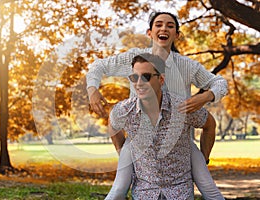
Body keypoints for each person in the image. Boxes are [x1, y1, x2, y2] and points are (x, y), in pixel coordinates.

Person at [86, 11, 226, 199]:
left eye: (170, 26)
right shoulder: (134, 59)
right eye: (158, 25)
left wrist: (206, 96)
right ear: (150, 32)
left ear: (177, 35)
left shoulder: (188, 66)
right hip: (139, 140)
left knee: (209, 189)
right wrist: (92, 90)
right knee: (118, 190)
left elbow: (220, 83)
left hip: (179, 141)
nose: (164, 28)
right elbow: (98, 66)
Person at [107, 53, 216, 199]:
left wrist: (203, 158)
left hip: (179, 192)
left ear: (161, 79)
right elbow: (112, 124)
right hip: (144, 192)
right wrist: (123, 153)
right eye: (134, 77)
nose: (139, 83)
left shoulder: (181, 108)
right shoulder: (124, 111)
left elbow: (209, 124)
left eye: (146, 77)